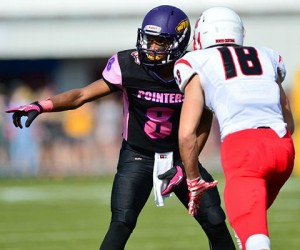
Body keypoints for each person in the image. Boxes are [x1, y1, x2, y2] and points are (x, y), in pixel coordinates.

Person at [6, 5, 236, 250]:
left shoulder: (193, 68)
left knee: (214, 220)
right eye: (149, 39)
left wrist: (186, 163)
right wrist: (42, 106)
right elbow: (82, 95)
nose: (152, 47)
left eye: (160, 42)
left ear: (178, 42)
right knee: (122, 221)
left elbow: (204, 119)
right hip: (138, 156)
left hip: (179, 158)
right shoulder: (129, 65)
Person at [174, 6, 295, 250]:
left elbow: (187, 134)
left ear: (203, 34)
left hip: (243, 149)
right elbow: (288, 120)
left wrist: (193, 180)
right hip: (283, 148)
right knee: (246, 229)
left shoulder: (196, 61)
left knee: (254, 237)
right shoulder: (266, 55)